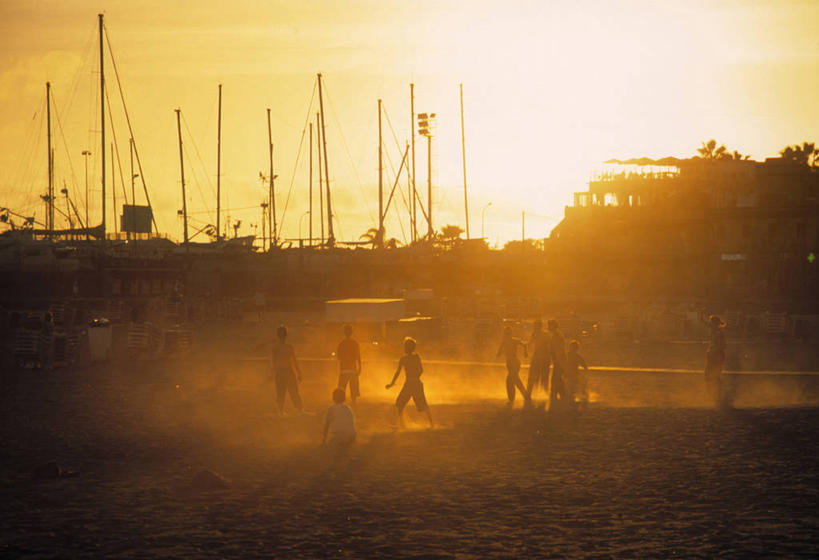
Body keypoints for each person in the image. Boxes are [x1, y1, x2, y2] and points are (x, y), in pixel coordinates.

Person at [385, 337, 433, 428]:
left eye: (406, 346)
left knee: (400, 403)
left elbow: (397, 372)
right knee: (420, 404)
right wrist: (415, 377)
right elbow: (421, 370)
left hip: (410, 383)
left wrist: (391, 383)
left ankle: (400, 424)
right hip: (415, 383)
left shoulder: (404, 358)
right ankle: (431, 424)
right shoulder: (416, 357)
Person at [271, 325, 304, 414]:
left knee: (282, 392)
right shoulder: (288, 347)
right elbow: (295, 361)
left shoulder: (276, 348)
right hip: (287, 371)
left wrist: (272, 374)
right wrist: (299, 373)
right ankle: (299, 409)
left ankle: (281, 411)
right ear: (286, 335)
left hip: (281, 371)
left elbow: (273, 363)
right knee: (292, 391)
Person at [496, 326, 531, 407]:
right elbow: (524, 345)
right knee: (513, 379)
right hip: (514, 362)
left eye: (507, 333)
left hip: (512, 362)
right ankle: (520, 397)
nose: (506, 335)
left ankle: (521, 396)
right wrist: (525, 353)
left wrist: (500, 353)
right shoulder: (513, 340)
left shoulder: (506, 341)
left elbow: (499, 352)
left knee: (513, 380)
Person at [702, 313, 727, 407]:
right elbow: (705, 323)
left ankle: (716, 396)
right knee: (710, 375)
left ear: (714, 324)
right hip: (713, 354)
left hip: (716, 355)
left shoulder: (718, 333)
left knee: (713, 375)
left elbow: (723, 345)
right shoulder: (715, 330)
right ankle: (715, 396)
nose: (709, 324)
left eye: (711, 323)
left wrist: (714, 350)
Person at [336, 324, 361, 404]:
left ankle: (340, 404)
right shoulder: (355, 343)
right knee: (353, 389)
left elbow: (338, 357)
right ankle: (354, 403)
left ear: (344, 332)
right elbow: (358, 356)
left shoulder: (341, 343)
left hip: (344, 370)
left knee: (341, 388)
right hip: (353, 370)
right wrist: (360, 368)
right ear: (352, 332)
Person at [526, 319, 551, 401]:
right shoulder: (545, 335)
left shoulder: (536, 334)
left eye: (535, 326)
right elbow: (549, 347)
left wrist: (525, 348)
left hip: (538, 357)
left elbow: (530, 344)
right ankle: (544, 394)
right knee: (544, 377)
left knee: (534, 376)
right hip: (544, 358)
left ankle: (532, 393)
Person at [547, 319, 568, 409]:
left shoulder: (556, 336)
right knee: (558, 380)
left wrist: (561, 363)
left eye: (549, 325)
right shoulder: (557, 335)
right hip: (558, 362)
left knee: (555, 379)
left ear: (553, 326)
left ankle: (555, 396)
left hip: (559, 362)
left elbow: (559, 351)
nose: (548, 327)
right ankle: (562, 396)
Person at [566, 340, 589, 408]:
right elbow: (584, 365)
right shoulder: (569, 355)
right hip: (570, 374)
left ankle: (572, 399)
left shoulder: (573, 355)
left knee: (572, 387)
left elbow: (584, 365)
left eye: (573, 347)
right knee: (570, 387)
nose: (571, 349)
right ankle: (571, 399)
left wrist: (585, 371)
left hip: (573, 374)